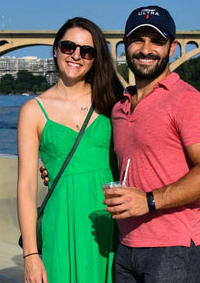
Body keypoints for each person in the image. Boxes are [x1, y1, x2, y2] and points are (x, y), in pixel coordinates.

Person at [103, 5, 200, 282]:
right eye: (138, 39)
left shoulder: (187, 101)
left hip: (173, 247)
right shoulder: (119, 107)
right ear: (125, 45)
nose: (146, 49)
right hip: (127, 245)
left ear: (172, 48)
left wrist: (148, 201)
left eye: (157, 41)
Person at [17, 17, 121, 283]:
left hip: (109, 225)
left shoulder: (113, 101)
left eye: (86, 51)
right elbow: (26, 188)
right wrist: (30, 256)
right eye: (68, 47)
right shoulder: (33, 111)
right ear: (55, 50)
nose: (76, 55)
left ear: (96, 58)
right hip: (60, 224)